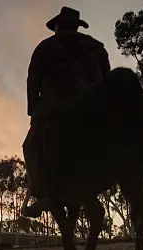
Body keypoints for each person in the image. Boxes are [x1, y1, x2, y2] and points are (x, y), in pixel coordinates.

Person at [22, 6, 111, 218]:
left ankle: (41, 192)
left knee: (31, 146)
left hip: (56, 106)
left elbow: (32, 82)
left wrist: (33, 111)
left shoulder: (45, 47)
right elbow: (107, 82)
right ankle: (99, 183)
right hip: (93, 108)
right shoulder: (97, 47)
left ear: (58, 26)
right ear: (77, 27)